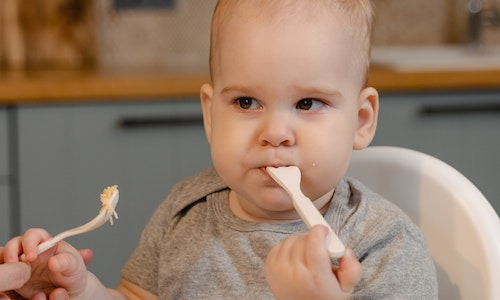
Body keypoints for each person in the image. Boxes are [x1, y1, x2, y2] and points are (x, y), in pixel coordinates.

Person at [1, 0, 438, 299]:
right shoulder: (183, 211)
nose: (276, 133)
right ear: (211, 116)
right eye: (246, 102)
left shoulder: (382, 244)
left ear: (361, 121)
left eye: (308, 103)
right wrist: (80, 288)